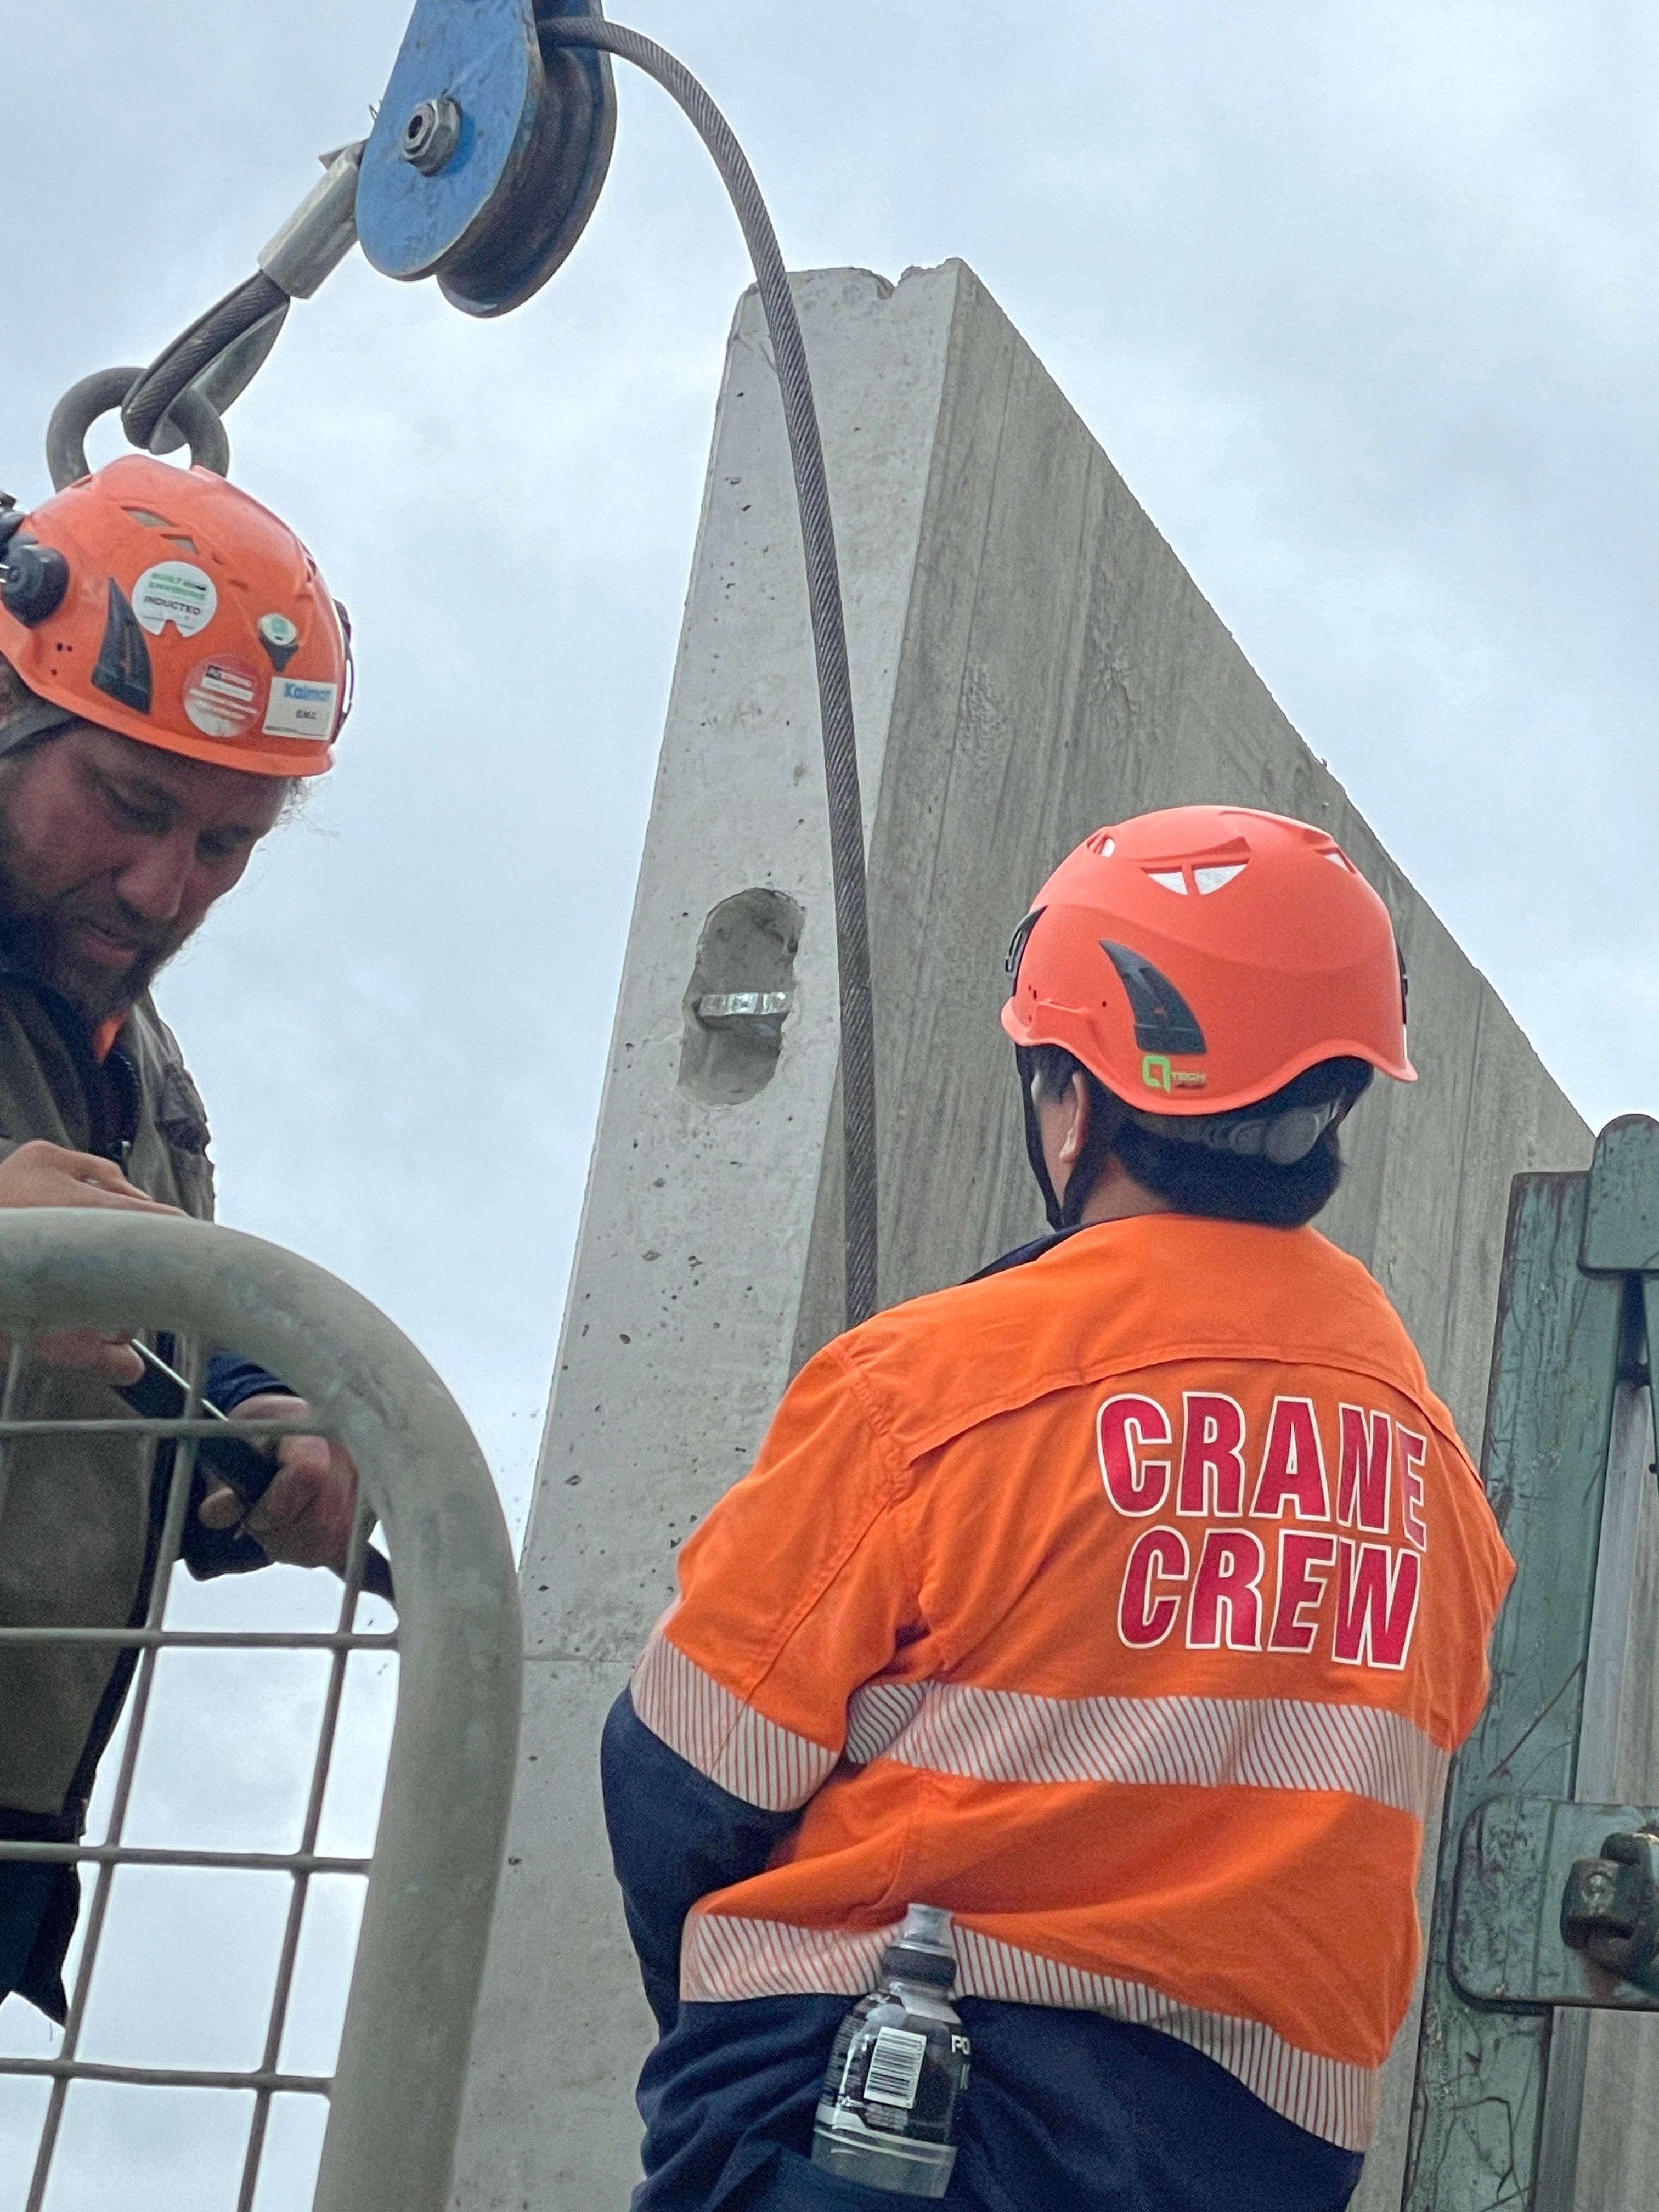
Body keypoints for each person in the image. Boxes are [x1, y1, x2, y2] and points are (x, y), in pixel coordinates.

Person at [601, 805, 1515, 2212]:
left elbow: (678, 1783)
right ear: (1335, 1094)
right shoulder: (1432, 1473)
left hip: (889, 2117)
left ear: (1074, 1094)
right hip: (1253, 2156)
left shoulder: (928, 1388)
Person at [0, 453, 360, 2024]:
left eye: (226, 846)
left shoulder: (134, 1075)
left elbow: (116, 1377)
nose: (163, 887)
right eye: (129, 806)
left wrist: (260, 1426)